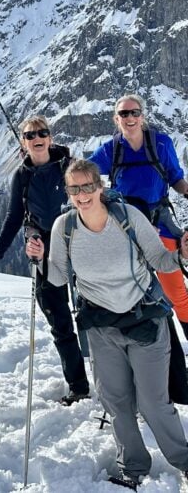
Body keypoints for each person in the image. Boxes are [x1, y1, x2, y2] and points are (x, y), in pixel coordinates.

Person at [26, 159, 188, 489]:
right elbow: (58, 278)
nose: (82, 194)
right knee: (116, 403)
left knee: (154, 404)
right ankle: (133, 466)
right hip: (102, 328)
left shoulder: (128, 218)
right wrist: (41, 259)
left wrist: (182, 255)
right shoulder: (64, 227)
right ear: (69, 192)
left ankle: (184, 460)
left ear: (100, 187)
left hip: (144, 320)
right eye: (75, 189)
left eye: (88, 186)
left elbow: (160, 259)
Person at [0, 115, 89, 405]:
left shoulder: (70, 167)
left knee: (97, 316)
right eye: (30, 135)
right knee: (59, 319)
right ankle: (78, 385)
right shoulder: (22, 176)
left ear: (51, 137)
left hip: (79, 245)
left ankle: (113, 380)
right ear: (23, 143)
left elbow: (94, 200)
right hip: (43, 251)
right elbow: (14, 217)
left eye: (42, 132)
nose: (37, 138)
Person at [90, 94, 188, 338]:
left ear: (142, 116)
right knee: (132, 291)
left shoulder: (161, 144)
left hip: (158, 220)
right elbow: (84, 172)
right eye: (124, 114)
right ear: (116, 119)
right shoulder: (110, 150)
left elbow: (175, 178)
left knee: (176, 291)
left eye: (134, 112)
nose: (130, 117)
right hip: (125, 225)